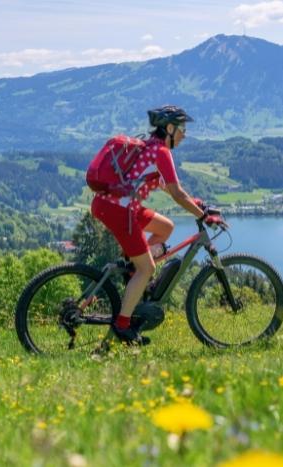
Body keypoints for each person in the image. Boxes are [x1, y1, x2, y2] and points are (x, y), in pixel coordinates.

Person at [90, 105, 222, 348]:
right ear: (169, 128)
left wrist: (200, 205)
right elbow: (176, 193)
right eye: (182, 128)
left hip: (114, 205)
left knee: (165, 228)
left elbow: (166, 186)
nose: (185, 134)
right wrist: (202, 216)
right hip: (120, 210)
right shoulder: (161, 151)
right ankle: (122, 325)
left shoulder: (149, 147)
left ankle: (132, 268)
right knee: (147, 268)